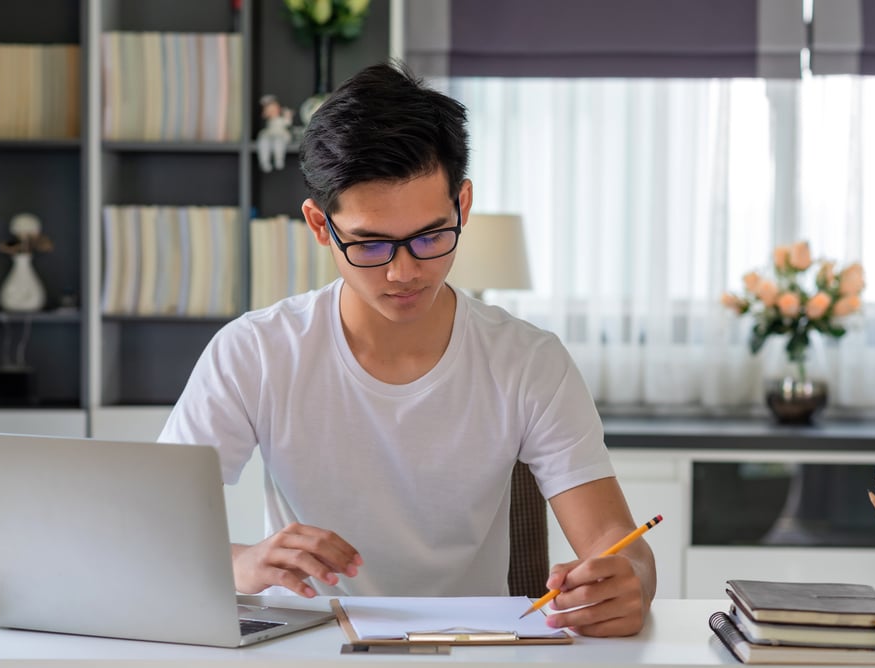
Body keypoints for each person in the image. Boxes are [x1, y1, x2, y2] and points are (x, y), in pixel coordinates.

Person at [160, 61, 657, 637]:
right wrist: (242, 563)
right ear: (321, 226)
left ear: (463, 207)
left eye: (430, 236)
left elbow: (618, 545)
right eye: (370, 244)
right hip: (310, 642)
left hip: (472, 646)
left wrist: (629, 580)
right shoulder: (256, 351)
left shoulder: (528, 361)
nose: (404, 272)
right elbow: (156, 530)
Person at [256, 94, 294, 172]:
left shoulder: (280, 120)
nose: (273, 112)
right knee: (264, 142)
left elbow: (288, 123)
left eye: (274, 109)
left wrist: (288, 116)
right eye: (270, 110)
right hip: (271, 134)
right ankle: (264, 161)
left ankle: (279, 159)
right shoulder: (269, 121)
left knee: (278, 142)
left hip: (280, 134)